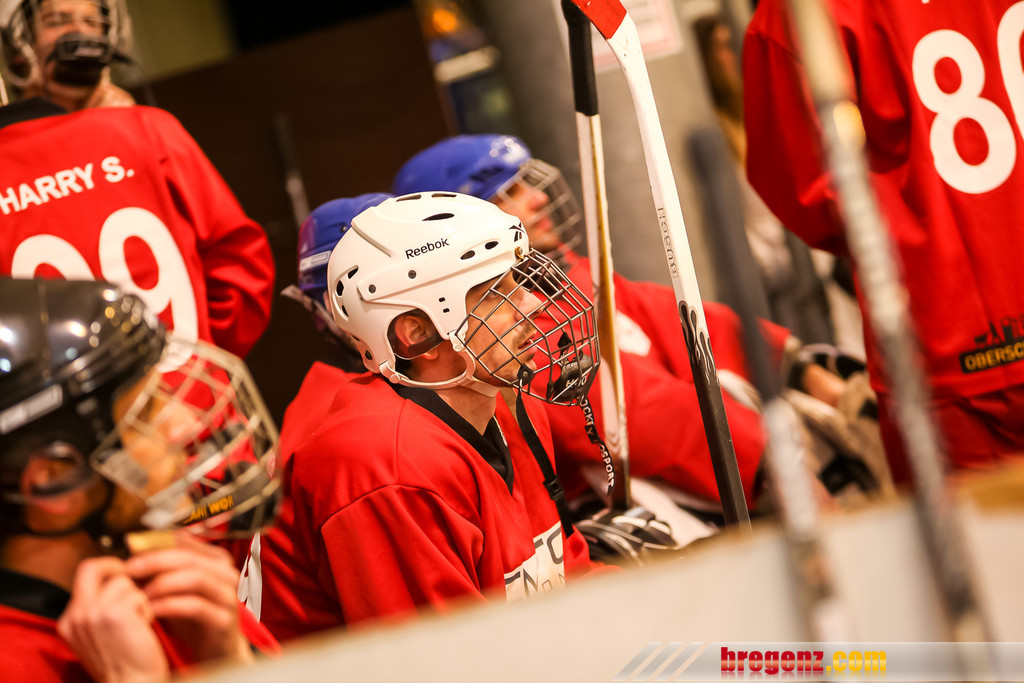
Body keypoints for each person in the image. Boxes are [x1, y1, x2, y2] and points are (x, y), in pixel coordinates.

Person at [391, 134, 886, 515]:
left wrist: (795, 366)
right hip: (638, 500)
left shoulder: (565, 274)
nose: (537, 199)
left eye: (527, 183)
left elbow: (676, 319)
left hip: (720, 463)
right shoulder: (497, 326)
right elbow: (636, 413)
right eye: (510, 192)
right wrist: (764, 461)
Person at [242, 193, 607, 640]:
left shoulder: (509, 404)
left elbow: (563, 576)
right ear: (418, 334)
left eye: (518, 282)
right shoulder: (382, 467)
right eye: (498, 292)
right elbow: (446, 661)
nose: (533, 305)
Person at [743, 0, 1024, 482]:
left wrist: (905, 232)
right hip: (949, 359)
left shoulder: (801, 11)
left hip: (941, 337)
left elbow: (803, 188)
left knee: (976, 530)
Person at [0, 277, 282, 682]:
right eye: (146, 410)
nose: (186, 425)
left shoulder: (177, 592)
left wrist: (231, 662)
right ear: (54, 479)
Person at [0, 2, 275, 359]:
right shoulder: (149, 130)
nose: (78, 32)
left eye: (92, 21)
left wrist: (198, 356)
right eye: (58, 21)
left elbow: (237, 261)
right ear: (19, 44)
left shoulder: (148, 130)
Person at [0, 0, 135, 111]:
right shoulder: (7, 133)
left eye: (91, 22)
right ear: (17, 47)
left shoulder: (133, 120)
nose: (80, 30)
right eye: (56, 22)